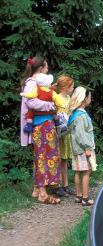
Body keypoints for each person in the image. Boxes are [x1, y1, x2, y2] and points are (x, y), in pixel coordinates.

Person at [20, 56, 61, 204]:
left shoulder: (36, 83)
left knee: (41, 156)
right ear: (41, 68)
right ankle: (43, 193)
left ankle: (37, 189)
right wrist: (51, 106)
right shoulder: (32, 82)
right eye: (46, 66)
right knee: (45, 156)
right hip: (43, 125)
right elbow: (32, 102)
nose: (48, 68)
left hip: (42, 124)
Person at [68, 87, 96, 206]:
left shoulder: (75, 114)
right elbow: (81, 134)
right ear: (84, 99)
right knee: (86, 171)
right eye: (89, 97)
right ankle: (85, 198)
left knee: (78, 171)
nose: (91, 99)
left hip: (77, 149)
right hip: (83, 149)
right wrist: (87, 147)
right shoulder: (81, 116)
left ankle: (78, 196)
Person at [54, 75, 75, 196]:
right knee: (57, 158)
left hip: (66, 132)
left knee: (64, 159)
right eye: (72, 86)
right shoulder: (56, 98)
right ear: (66, 87)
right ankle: (57, 185)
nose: (73, 88)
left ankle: (65, 185)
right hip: (58, 132)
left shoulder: (69, 98)